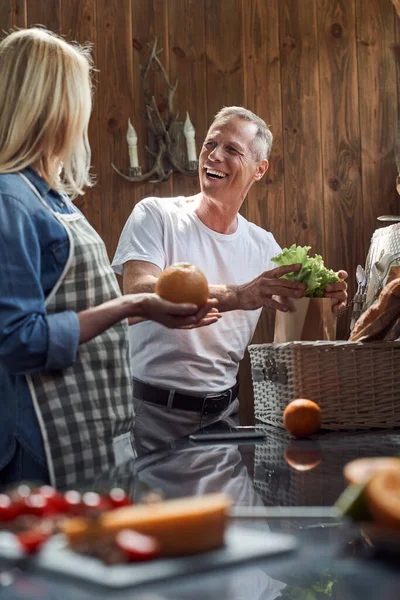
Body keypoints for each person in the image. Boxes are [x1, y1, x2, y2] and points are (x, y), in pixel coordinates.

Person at [0, 28, 219, 489]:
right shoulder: (9, 200)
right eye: (77, 99)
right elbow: (19, 341)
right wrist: (133, 305)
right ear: (49, 106)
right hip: (37, 444)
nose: (82, 116)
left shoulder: (52, 198)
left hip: (88, 428)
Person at [112, 106, 348, 455]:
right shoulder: (155, 215)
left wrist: (327, 296)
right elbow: (138, 293)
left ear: (259, 169)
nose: (213, 156)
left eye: (232, 150)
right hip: (150, 415)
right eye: (210, 144)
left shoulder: (264, 246)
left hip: (225, 418)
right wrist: (239, 294)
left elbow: (295, 314)